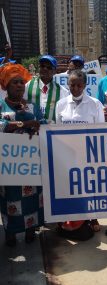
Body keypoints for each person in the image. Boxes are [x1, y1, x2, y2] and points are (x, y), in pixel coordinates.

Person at [0, 63, 46, 246]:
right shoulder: (1, 106)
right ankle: (10, 233)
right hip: (8, 165)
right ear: (6, 86)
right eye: (14, 82)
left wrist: (38, 127)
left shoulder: (32, 107)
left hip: (30, 164)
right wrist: (24, 125)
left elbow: (42, 124)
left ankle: (30, 230)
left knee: (32, 198)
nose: (19, 85)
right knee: (9, 198)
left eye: (21, 82)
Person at [55, 70, 105, 237]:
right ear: (68, 85)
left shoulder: (95, 104)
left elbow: (100, 131)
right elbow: (57, 130)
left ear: (84, 85)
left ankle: (93, 218)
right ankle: (70, 218)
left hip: (88, 155)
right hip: (67, 155)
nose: (75, 88)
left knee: (90, 188)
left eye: (79, 85)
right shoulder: (61, 104)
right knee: (71, 188)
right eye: (72, 85)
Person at [24, 55, 69, 123]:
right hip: (32, 130)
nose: (45, 69)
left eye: (49, 67)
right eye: (42, 66)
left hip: (52, 131)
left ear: (54, 71)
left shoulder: (62, 91)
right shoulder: (28, 85)